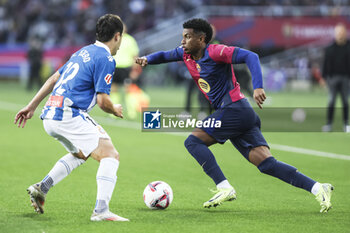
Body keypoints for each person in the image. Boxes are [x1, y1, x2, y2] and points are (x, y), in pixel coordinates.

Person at [136, 18, 333, 213]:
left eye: (187, 37)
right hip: (239, 114)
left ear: (202, 39)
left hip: (234, 109)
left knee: (193, 142)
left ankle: (224, 187)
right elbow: (164, 55)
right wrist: (147, 59)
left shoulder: (215, 51)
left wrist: (258, 87)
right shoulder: (185, 55)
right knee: (266, 164)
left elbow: (251, 57)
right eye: (182, 37)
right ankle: (318, 187)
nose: (182, 41)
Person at [14, 14, 129, 222]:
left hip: (50, 114)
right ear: (117, 36)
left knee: (81, 154)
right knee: (110, 155)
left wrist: (32, 106)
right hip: (69, 114)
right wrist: (116, 109)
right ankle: (101, 211)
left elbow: (54, 77)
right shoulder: (106, 58)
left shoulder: (83, 51)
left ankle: (42, 188)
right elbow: (103, 102)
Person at [322, 23, 350, 133]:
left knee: (345, 102)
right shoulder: (330, 48)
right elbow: (325, 64)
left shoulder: (348, 47)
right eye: (338, 32)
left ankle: (346, 124)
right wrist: (324, 78)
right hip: (332, 79)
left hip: (345, 78)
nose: (339, 34)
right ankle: (329, 124)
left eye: (341, 32)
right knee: (331, 101)